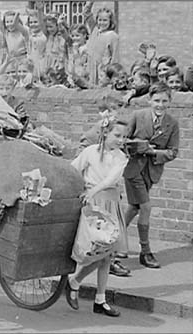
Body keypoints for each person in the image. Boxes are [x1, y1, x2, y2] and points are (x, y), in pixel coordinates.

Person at [66, 115, 129, 317]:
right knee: (95, 251)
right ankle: (75, 282)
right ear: (105, 133)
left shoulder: (121, 157)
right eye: (117, 135)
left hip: (109, 203)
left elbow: (111, 180)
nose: (121, 140)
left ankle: (98, 298)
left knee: (107, 254)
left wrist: (93, 192)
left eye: (124, 137)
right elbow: (72, 170)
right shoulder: (90, 152)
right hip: (92, 205)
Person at [123, 82, 179, 269]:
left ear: (170, 101)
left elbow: (173, 152)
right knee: (146, 206)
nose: (160, 105)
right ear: (149, 100)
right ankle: (145, 252)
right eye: (156, 100)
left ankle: (113, 242)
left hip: (152, 171)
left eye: (164, 101)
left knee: (133, 208)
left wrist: (153, 153)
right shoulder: (138, 116)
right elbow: (122, 140)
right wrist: (139, 146)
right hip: (132, 170)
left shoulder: (172, 123)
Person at [84, 2, 119, 86]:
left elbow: (114, 56)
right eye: (100, 20)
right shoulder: (95, 30)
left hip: (103, 70)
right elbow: (86, 13)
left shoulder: (113, 36)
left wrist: (111, 74)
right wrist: (90, 3)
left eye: (105, 20)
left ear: (110, 21)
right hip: (90, 68)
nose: (102, 23)